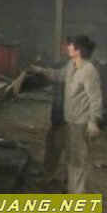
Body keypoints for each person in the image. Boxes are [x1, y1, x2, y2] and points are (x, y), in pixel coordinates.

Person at [30, 35, 102, 193]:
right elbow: (59, 75)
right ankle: (71, 189)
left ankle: (76, 195)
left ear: (78, 50)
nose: (68, 47)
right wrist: (41, 70)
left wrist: (93, 122)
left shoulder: (89, 71)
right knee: (71, 157)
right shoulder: (71, 65)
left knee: (77, 160)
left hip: (80, 123)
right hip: (69, 119)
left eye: (71, 46)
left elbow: (95, 99)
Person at [41, 38, 69, 186]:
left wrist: (41, 70)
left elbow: (58, 76)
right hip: (59, 114)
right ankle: (48, 174)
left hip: (67, 116)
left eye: (64, 46)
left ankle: (51, 177)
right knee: (51, 143)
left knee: (57, 147)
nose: (61, 49)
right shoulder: (65, 64)